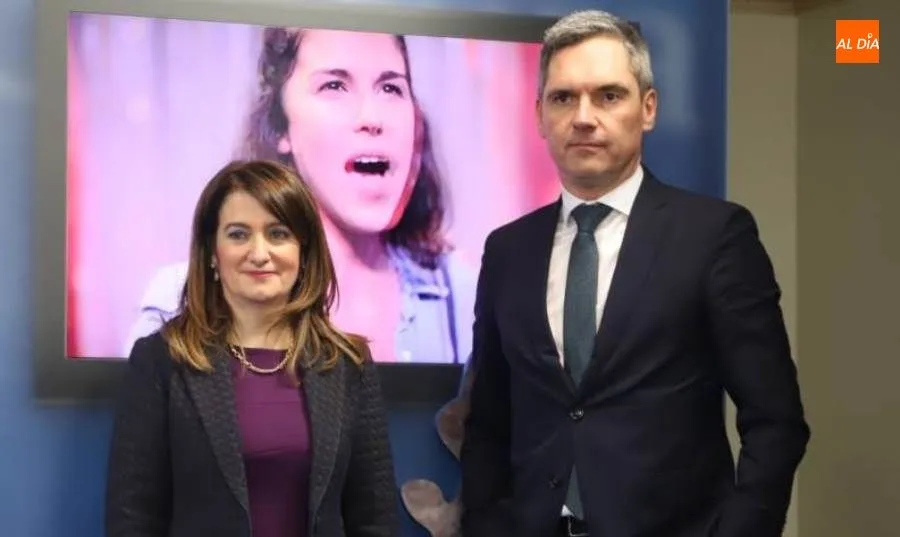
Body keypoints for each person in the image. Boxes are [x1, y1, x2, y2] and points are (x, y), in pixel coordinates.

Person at [459, 10, 809, 537]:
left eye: (608, 95)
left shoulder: (714, 236)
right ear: (538, 116)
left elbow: (774, 419)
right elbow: (488, 419)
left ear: (647, 108)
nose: (583, 116)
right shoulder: (507, 249)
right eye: (563, 97)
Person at [122, 27, 477, 365]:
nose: (372, 117)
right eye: (335, 85)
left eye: (390, 88)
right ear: (281, 125)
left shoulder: (466, 296)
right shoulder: (183, 301)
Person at [105, 159, 399, 537]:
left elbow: (375, 519)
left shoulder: (347, 365)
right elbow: (132, 518)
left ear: (303, 251)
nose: (259, 253)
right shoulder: (162, 361)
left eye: (278, 234)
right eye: (239, 234)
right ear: (212, 253)